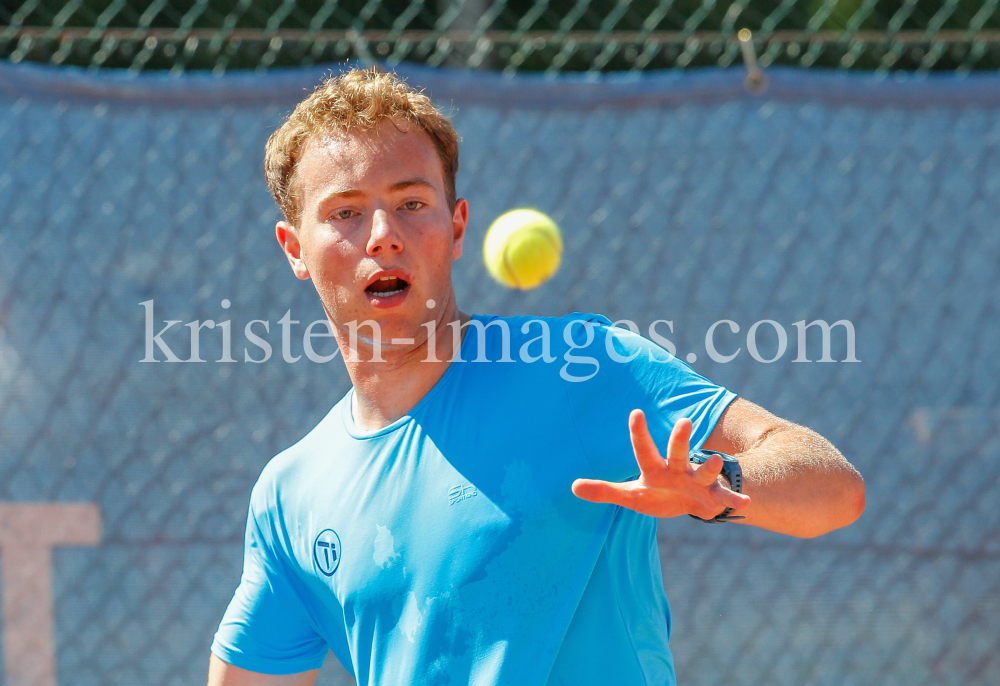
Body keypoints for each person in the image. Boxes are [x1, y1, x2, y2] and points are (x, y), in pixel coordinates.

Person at [207, 67, 865, 686]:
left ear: (456, 227)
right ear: (295, 248)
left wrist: (719, 484)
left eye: (411, 202)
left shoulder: (587, 365)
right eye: (345, 212)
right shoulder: (290, 496)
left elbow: (834, 487)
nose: (383, 234)